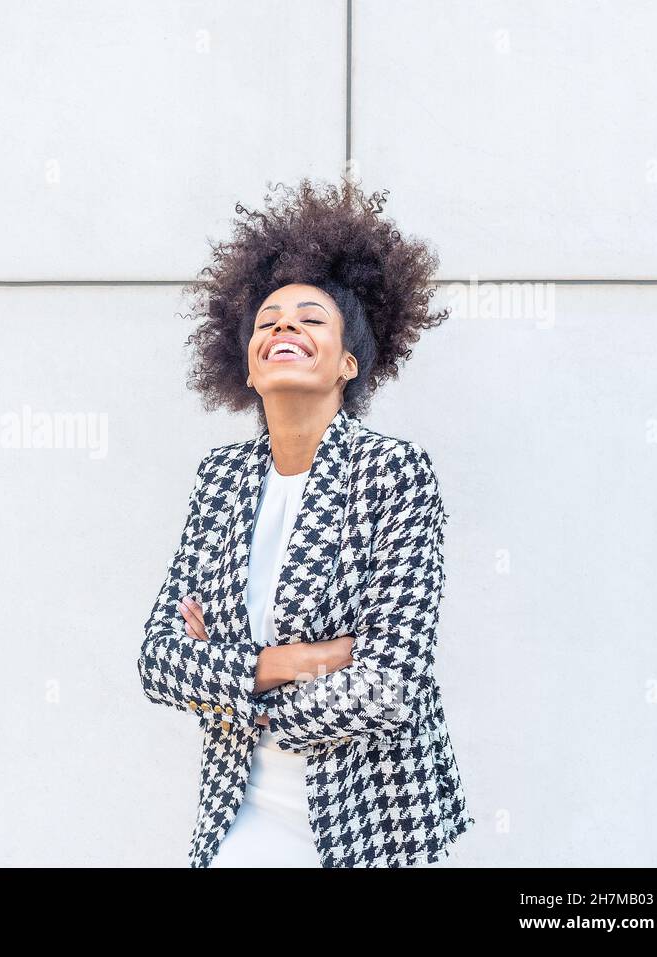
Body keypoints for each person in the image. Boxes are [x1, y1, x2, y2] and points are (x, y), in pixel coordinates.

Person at [137, 177, 474, 868]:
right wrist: (297, 662)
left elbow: (390, 680)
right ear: (249, 368)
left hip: (373, 823)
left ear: (348, 362)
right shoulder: (221, 480)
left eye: (309, 318)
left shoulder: (393, 475)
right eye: (267, 321)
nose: (283, 326)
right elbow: (161, 660)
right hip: (238, 817)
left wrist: (239, 692)